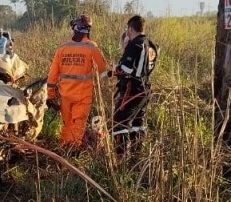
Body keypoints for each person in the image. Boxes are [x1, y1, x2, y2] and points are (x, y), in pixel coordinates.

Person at [46, 14, 110, 148]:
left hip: (65, 96)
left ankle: (64, 147)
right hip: (83, 95)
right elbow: (103, 69)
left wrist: (50, 96)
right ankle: (73, 148)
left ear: (75, 28)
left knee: (67, 123)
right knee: (77, 123)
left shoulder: (62, 48)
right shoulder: (91, 47)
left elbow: (52, 76)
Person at [111, 15, 158, 152]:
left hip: (132, 89)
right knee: (138, 122)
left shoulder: (135, 44)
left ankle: (121, 158)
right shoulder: (151, 44)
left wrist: (114, 69)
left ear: (130, 29)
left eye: (128, 30)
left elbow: (125, 69)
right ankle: (137, 154)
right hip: (145, 88)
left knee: (119, 121)